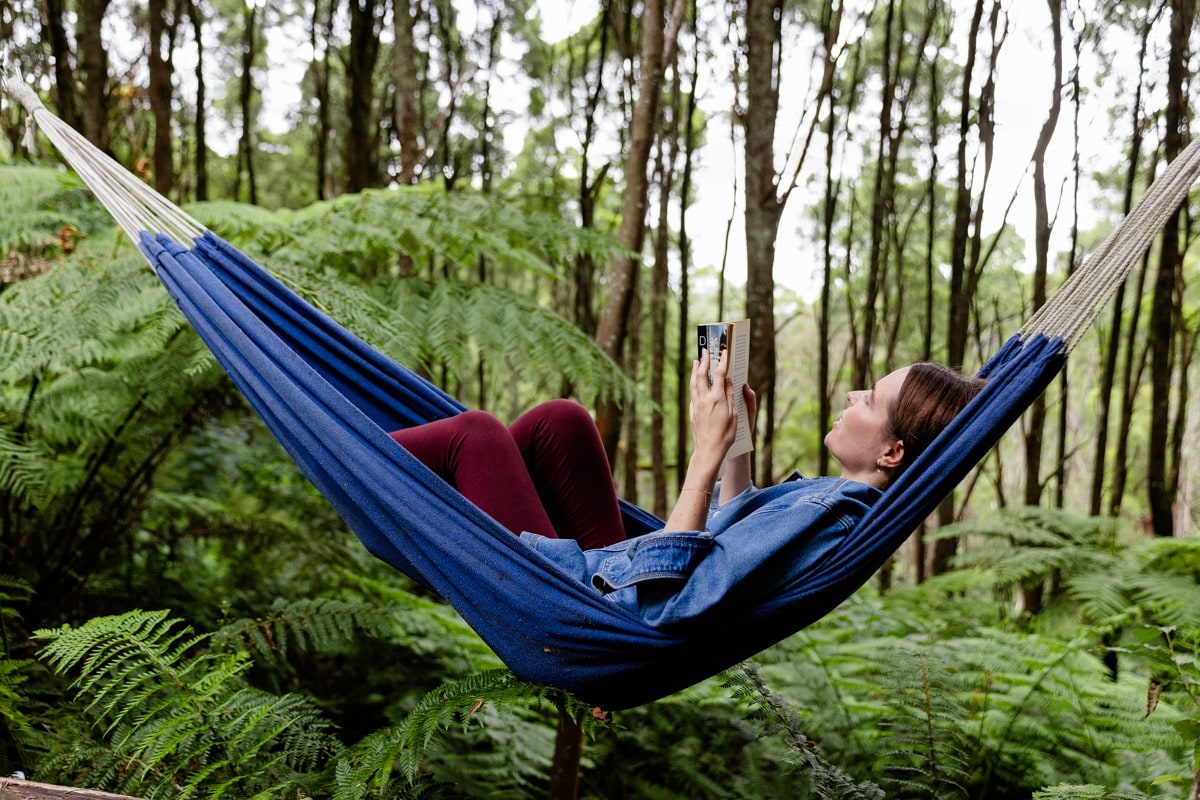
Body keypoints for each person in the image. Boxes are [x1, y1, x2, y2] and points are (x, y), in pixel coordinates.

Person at [389, 348, 984, 629]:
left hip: (588, 604)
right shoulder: (836, 506)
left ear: (891, 451)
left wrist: (705, 452)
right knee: (562, 421)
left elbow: (672, 600)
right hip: (621, 576)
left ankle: (359, 461)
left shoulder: (833, 513)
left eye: (870, 401)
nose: (854, 396)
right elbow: (735, 527)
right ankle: (432, 493)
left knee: (475, 434)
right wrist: (736, 437)